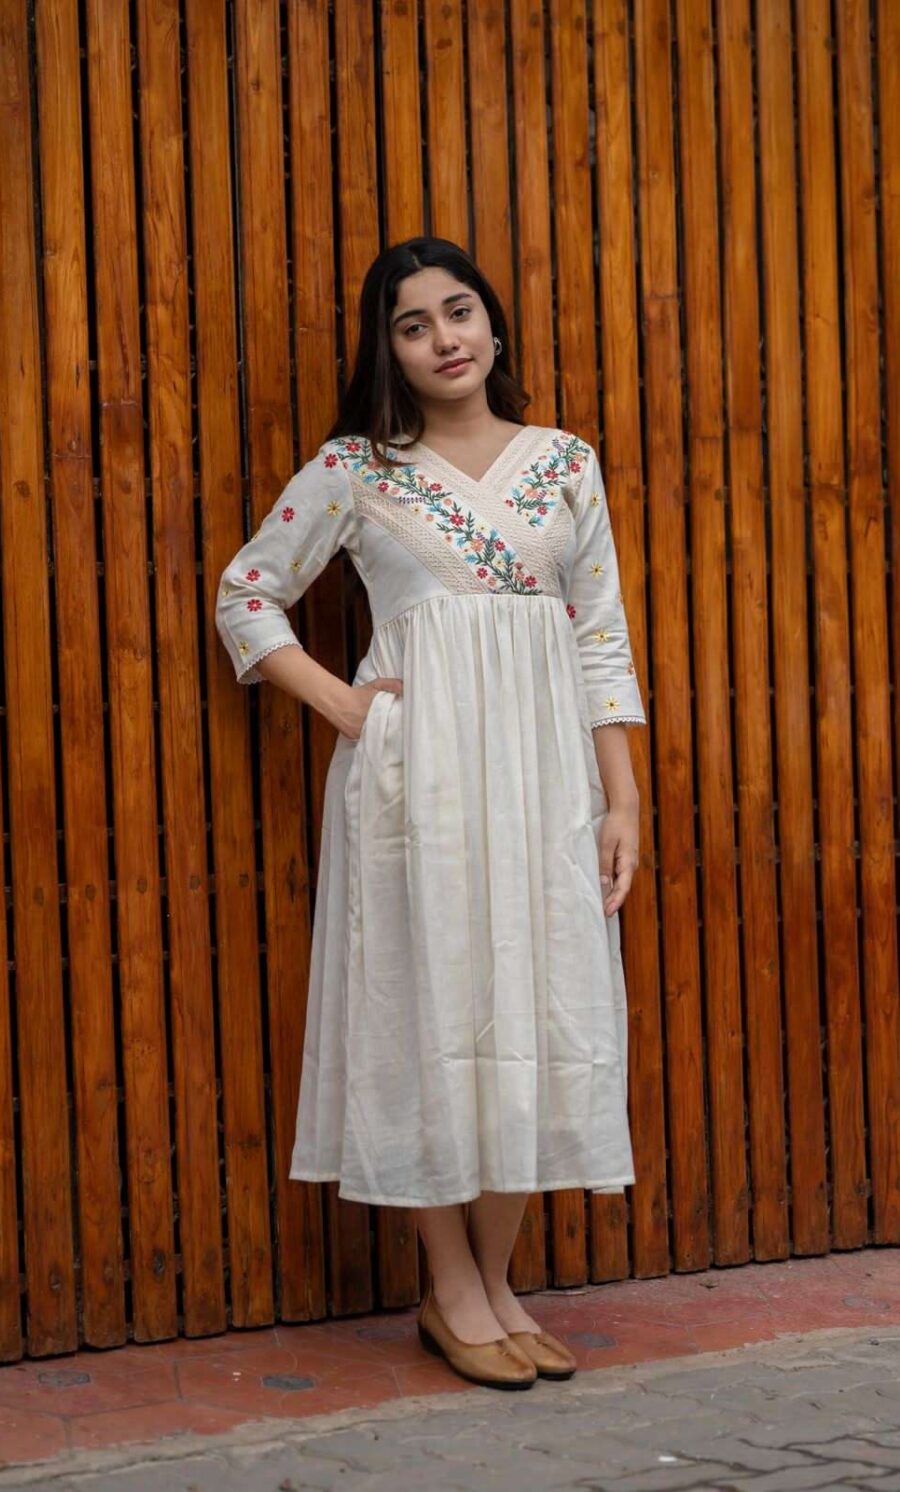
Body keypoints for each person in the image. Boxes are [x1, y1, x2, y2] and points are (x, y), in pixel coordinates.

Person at [215, 237, 645, 1390]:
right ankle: (450, 1288)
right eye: (413, 324)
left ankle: (495, 1281)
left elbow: (598, 635)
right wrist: (343, 705)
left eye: (459, 311)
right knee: (427, 1006)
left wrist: (620, 797)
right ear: (388, 350)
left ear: (492, 324)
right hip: (420, 783)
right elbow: (246, 593)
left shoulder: (564, 462)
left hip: (547, 778)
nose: (444, 338)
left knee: (536, 1004)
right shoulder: (356, 468)